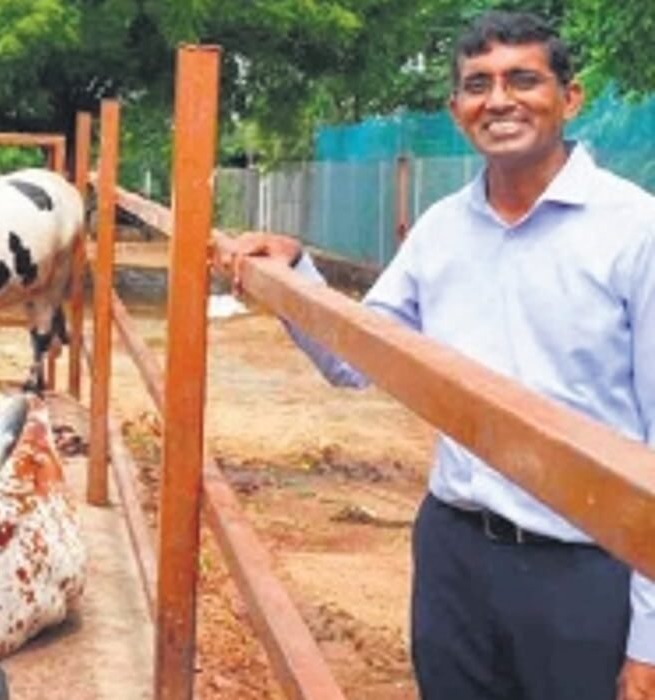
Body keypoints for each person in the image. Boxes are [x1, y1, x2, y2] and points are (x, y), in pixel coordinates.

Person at [212, 10, 655, 700]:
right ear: (456, 111)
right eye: (478, 84)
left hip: (586, 576)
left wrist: (649, 641)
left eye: (523, 79)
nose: (499, 99)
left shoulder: (636, 233)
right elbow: (359, 359)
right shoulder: (442, 230)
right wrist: (296, 277)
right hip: (455, 556)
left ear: (571, 98)